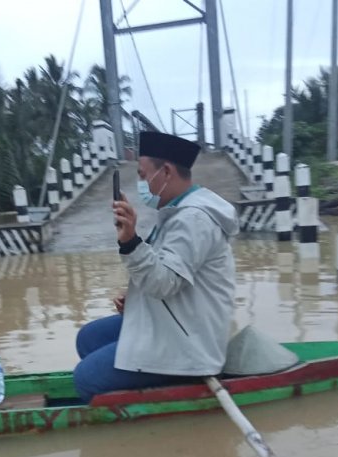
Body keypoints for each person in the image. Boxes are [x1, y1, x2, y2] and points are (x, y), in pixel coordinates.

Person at [73, 131, 238, 402]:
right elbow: (166, 272)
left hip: (190, 342)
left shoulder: (194, 220)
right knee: (88, 339)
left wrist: (130, 241)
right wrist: (136, 297)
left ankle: (174, 383)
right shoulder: (178, 212)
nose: (140, 182)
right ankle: (141, 379)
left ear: (167, 172)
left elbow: (164, 282)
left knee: (85, 379)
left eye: (141, 174)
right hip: (177, 321)